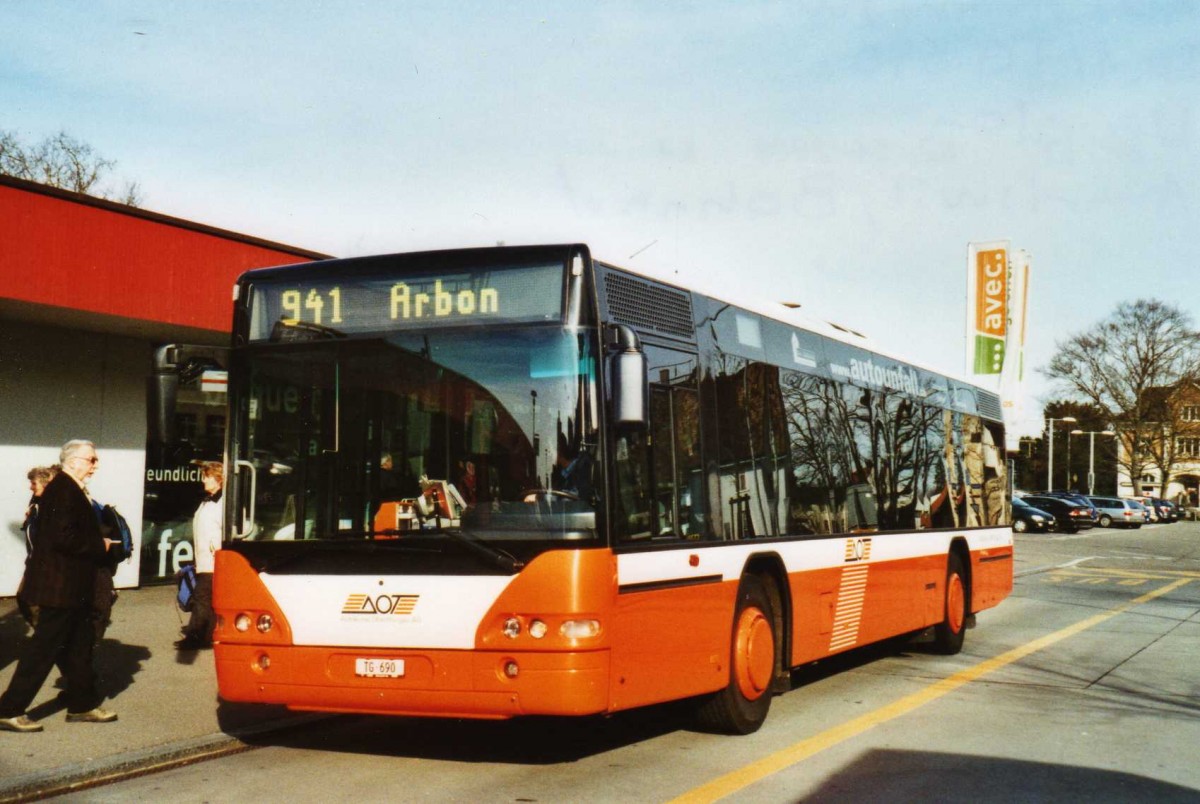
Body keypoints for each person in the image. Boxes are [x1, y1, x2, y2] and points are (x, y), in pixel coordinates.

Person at [0, 440, 119, 732]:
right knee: (42, 649)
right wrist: (99, 545)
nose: (96, 465)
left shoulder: (69, 488)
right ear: (73, 460)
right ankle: (8, 710)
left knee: (79, 646)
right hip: (60, 587)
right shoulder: (65, 490)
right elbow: (62, 538)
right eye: (92, 460)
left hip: (72, 587)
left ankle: (82, 705)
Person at [176, 461, 223, 650]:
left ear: (218, 479)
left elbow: (229, 528)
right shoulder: (208, 500)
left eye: (207, 476)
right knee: (206, 599)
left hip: (213, 561)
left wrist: (215, 547)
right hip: (204, 560)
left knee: (201, 597)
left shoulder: (222, 503)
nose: (203, 480)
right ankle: (205, 637)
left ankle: (195, 637)